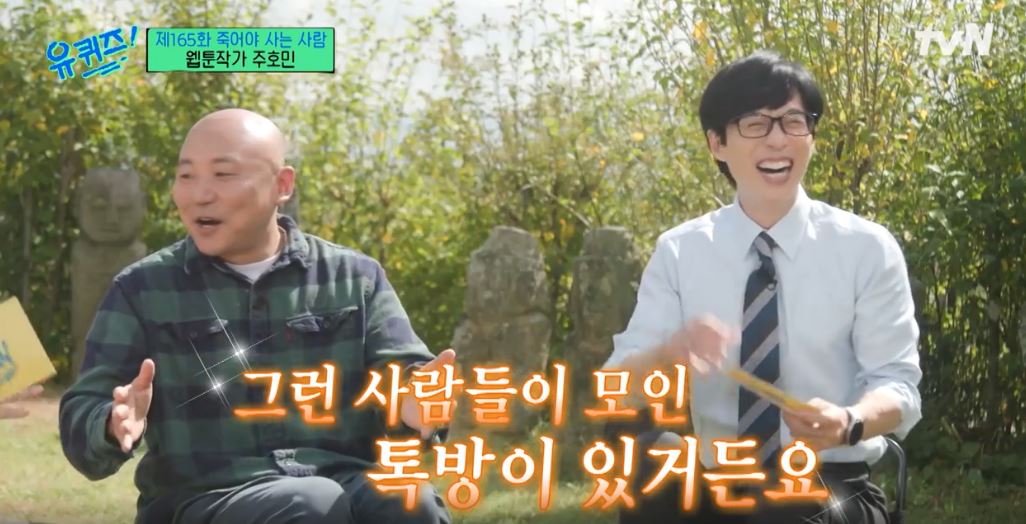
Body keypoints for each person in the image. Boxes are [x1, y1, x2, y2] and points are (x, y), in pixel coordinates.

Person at [59, 108, 453, 524]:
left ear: (282, 185)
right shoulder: (143, 289)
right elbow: (84, 412)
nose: (199, 194)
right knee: (310, 502)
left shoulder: (355, 278)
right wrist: (111, 423)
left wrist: (416, 403)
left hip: (342, 479)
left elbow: (406, 375)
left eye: (223, 175)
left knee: (411, 501)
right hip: (202, 500)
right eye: (186, 176)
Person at [606, 51, 921, 523]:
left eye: (794, 122)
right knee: (643, 450)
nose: (777, 139)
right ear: (717, 143)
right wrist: (670, 353)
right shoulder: (680, 251)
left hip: (828, 485)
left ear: (811, 136)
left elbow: (898, 385)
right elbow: (618, 388)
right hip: (720, 485)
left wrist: (848, 421)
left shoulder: (866, 248)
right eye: (755, 124)